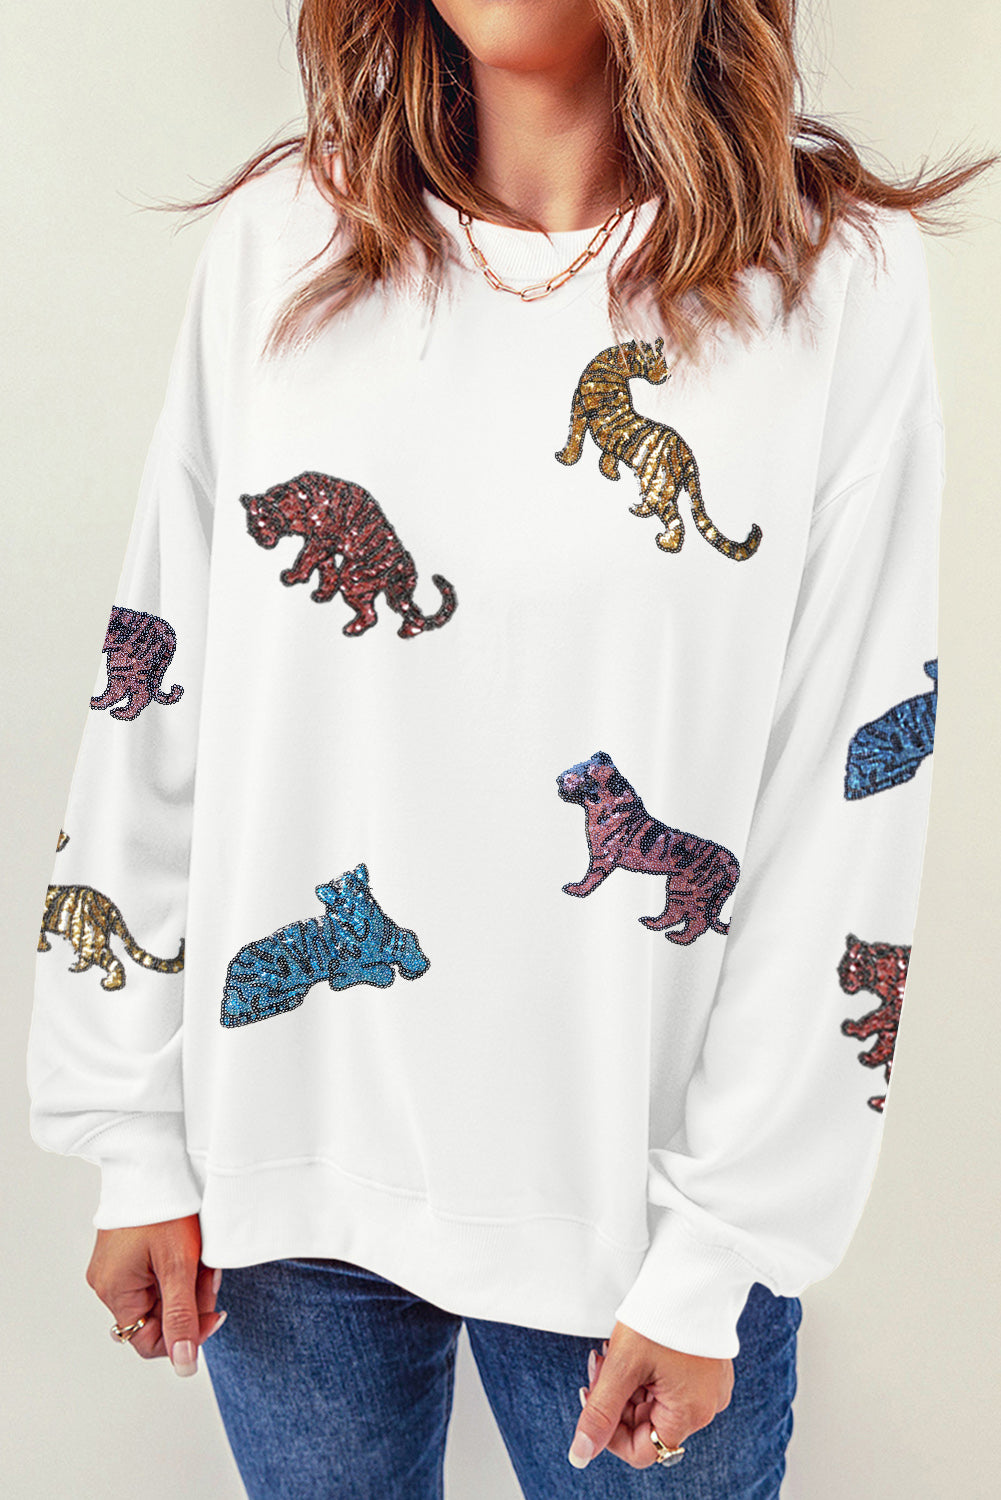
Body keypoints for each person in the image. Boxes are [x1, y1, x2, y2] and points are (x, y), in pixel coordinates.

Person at [26, 1, 994, 1495]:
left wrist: (718, 1251)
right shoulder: (285, 240)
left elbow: (846, 789)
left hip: (630, 1224)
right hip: (281, 1179)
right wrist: (133, 1133)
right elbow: (158, 688)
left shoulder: (826, 278)